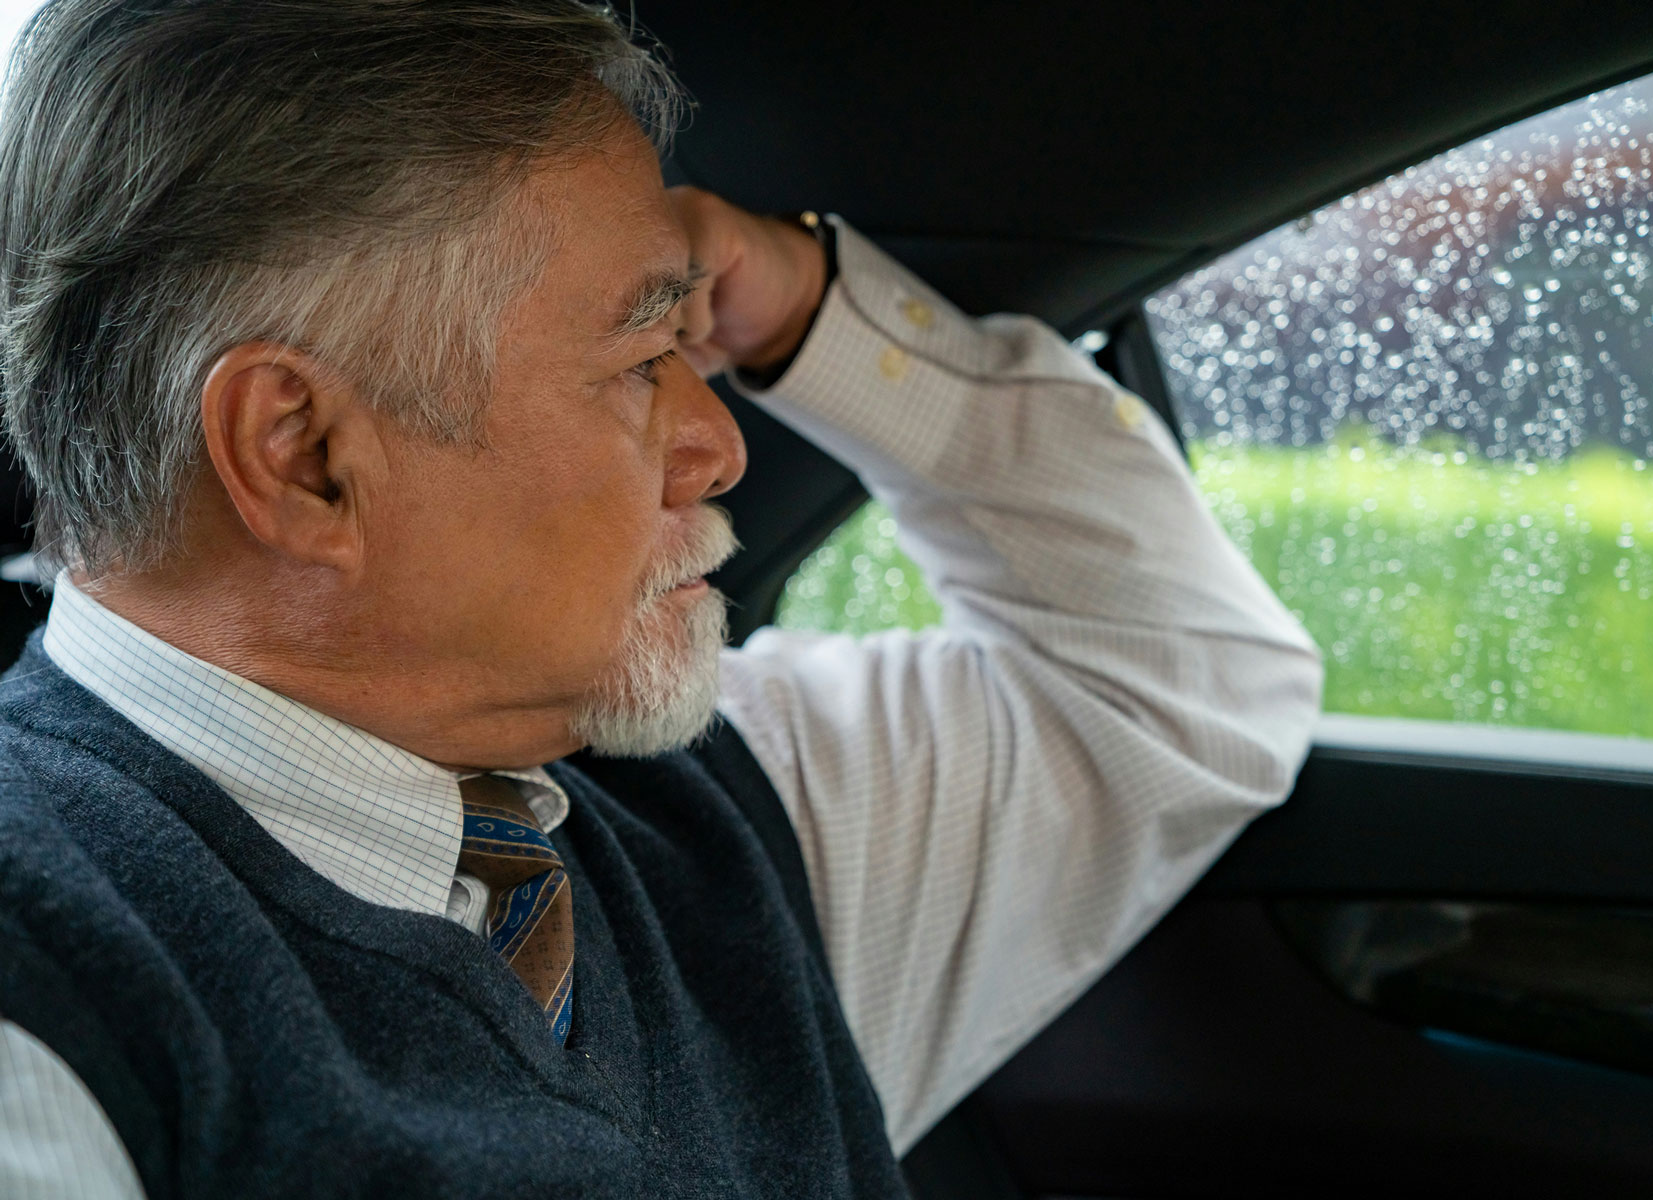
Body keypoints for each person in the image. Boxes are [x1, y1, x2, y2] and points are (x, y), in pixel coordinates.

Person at [0, 1, 1323, 1196]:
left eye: (697, 345)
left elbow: (1177, 678)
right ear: (305, 457)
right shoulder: (46, 990)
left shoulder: (710, 812)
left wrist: (810, 306)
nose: (723, 443)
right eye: (642, 358)